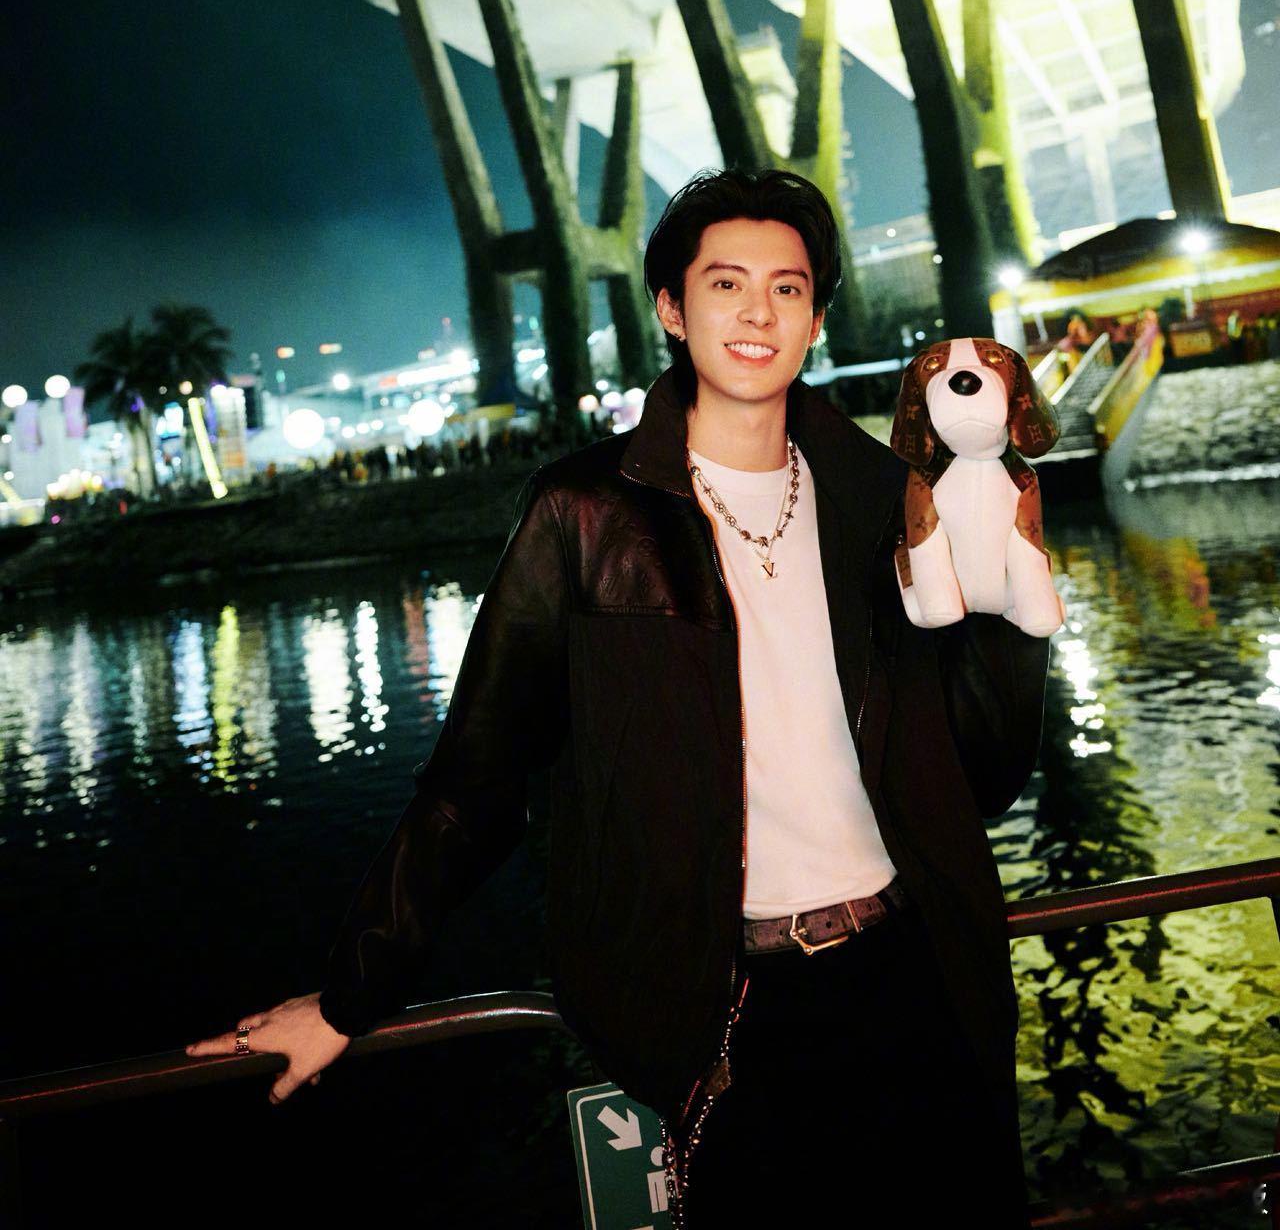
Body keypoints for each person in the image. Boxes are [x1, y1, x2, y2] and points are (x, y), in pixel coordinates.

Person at [184, 167, 1050, 1224]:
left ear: (815, 319)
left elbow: (981, 776)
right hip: (732, 1014)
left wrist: (1012, 615)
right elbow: (477, 779)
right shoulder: (586, 516)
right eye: (725, 284)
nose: (757, 313)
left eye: (786, 289)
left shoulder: (882, 499)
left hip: (915, 975)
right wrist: (349, 997)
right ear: (671, 309)